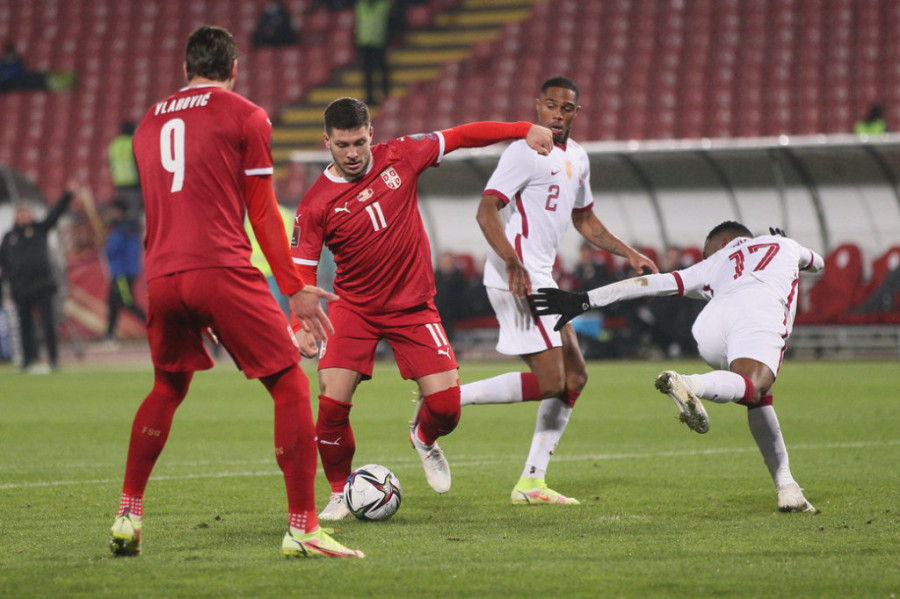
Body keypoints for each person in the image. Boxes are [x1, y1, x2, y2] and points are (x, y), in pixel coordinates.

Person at [109, 25, 363, 559]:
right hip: (220, 267)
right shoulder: (245, 114)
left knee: (166, 389)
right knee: (290, 386)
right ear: (234, 68)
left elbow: (158, 209)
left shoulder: (146, 125)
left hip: (162, 274)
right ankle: (303, 527)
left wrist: (173, 285)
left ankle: (128, 513)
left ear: (186, 68)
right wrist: (294, 288)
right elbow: (262, 210)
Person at [290, 96, 553, 519]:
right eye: (343, 145)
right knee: (331, 405)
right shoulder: (315, 204)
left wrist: (523, 128)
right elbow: (299, 272)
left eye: (359, 142)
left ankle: (424, 436)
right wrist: (298, 322)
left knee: (447, 409)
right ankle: (341, 493)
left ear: (371, 133)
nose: (353, 153)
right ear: (327, 142)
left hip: (413, 307)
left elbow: (463, 135)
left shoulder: (403, 154)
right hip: (351, 308)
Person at [456, 76, 658, 505]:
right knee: (552, 382)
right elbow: (486, 209)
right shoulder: (523, 151)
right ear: (538, 106)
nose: (557, 114)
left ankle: (532, 481)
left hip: (542, 277)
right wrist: (512, 260)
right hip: (518, 276)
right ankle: (446, 399)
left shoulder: (579, 159)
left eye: (566, 109)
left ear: (576, 113)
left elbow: (585, 220)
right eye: (550, 106)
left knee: (576, 378)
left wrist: (628, 253)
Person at [530, 222, 824, 513]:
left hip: (710, 326)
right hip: (757, 310)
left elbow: (654, 284)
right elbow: (818, 264)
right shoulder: (784, 245)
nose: (706, 259)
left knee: (757, 394)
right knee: (754, 385)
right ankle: (691, 384)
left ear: (722, 245)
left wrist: (586, 299)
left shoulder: (716, 261)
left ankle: (787, 487)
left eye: (706, 252)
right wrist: (791, 247)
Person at [0, 184, 77, 373]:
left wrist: (68, 195)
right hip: (20, 288)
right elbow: (5, 263)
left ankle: (53, 359)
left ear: (31, 215)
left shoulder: (40, 229)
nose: (23, 216)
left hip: (42, 286)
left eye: (26, 212)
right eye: (20, 213)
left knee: (48, 324)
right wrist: (9, 283)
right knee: (24, 326)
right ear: (16, 216)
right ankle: (28, 360)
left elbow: (55, 214)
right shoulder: (9, 237)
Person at [103, 199, 145, 343]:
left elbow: (112, 250)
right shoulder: (128, 228)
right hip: (124, 271)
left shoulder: (121, 230)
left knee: (127, 303)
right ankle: (109, 335)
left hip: (122, 273)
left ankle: (156, 328)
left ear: (118, 211)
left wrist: (104, 244)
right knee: (113, 303)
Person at [354, 0, 391, 105]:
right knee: (367, 73)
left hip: (379, 43)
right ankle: (369, 97)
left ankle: (385, 94)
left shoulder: (383, 5)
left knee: (382, 71)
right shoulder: (361, 6)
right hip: (364, 44)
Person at [107, 121, 142, 215]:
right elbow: (138, 162)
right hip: (133, 182)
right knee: (134, 211)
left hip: (119, 183)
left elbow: (110, 163)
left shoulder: (115, 144)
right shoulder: (133, 142)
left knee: (122, 212)